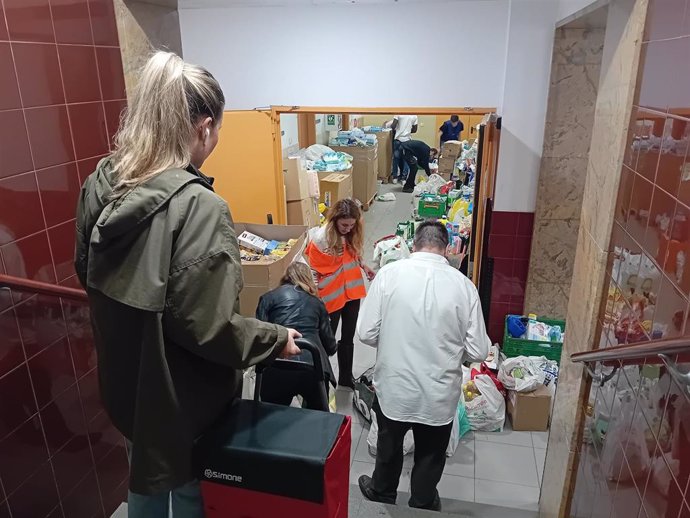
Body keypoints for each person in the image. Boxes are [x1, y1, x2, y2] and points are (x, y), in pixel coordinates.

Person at [74, 51, 301, 518]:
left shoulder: (101, 182)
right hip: (185, 398)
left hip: (127, 382)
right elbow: (208, 327)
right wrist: (274, 339)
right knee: (197, 491)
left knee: (147, 483)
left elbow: (86, 270)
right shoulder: (197, 207)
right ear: (203, 127)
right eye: (217, 130)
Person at [355, 221, 490, 512]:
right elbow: (479, 349)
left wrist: (391, 337)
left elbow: (365, 333)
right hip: (438, 393)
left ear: (413, 245)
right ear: (447, 250)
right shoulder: (464, 287)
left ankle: (382, 492)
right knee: (431, 453)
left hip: (395, 387)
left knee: (389, 446)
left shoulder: (389, 275)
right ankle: (422, 501)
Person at [303, 199, 375, 389]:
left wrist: (364, 265)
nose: (348, 228)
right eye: (344, 225)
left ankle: (345, 377)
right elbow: (312, 270)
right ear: (334, 220)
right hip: (331, 296)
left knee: (348, 337)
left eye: (352, 225)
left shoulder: (352, 233)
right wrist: (315, 296)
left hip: (351, 292)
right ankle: (322, 379)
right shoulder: (320, 238)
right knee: (327, 340)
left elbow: (353, 254)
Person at [256, 262, 338, 409]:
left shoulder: (267, 298)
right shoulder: (317, 303)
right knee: (317, 417)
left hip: (277, 364)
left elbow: (260, 335)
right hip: (312, 365)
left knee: (271, 419)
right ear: (308, 279)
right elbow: (331, 347)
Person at [390, 115, 418, 183]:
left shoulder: (398, 113)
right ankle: (404, 178)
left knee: (396, 159)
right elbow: (414, 130)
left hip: (398, 139)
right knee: (406, 159)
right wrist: (407, 131)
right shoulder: (414, 116)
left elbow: (393, 126)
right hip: (407, 140)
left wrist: (399, 129)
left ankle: (395, 177)